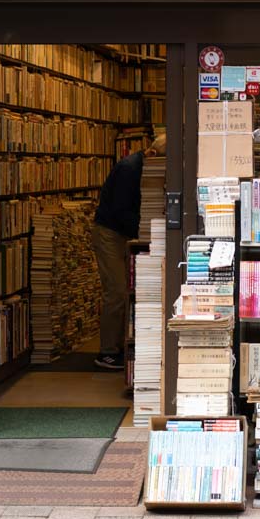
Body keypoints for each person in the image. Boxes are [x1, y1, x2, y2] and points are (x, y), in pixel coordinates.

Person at [90, 132, 163, 372]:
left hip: (126, 232)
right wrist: (146, 230)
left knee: (127, 290)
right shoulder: (129, 169)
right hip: (110, 233)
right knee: (117, 290)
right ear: (152, 154)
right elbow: (121, 211)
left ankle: (122, 345)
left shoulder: (142, 166)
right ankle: (107, 352)